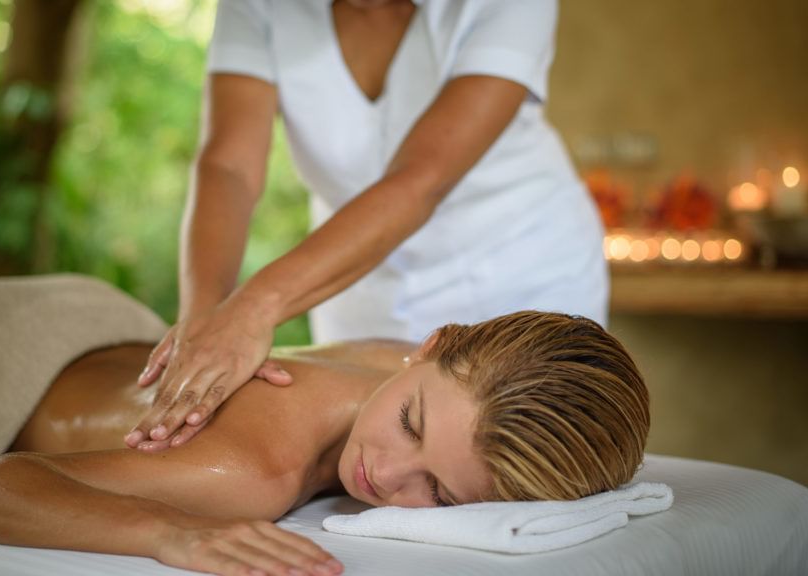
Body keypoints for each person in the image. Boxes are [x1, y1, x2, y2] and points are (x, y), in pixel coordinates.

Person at [0, 275, 647, 576]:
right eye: (410, 424)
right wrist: (171, 535)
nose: (388, 476)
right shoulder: (251, 474)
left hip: (90, 318)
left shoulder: (395, 362)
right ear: (432, 346)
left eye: (440, 494)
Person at [128, 0, 610, 453]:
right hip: (355, 282)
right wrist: (204, 324)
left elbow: (422, 179)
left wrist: (253, 309)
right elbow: (229, 167)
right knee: (364, 468)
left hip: (518, 271)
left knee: (509, 470)